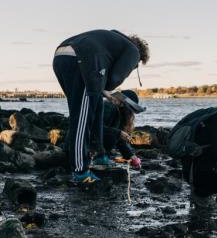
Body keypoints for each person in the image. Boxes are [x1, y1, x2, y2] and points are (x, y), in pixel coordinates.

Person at [52, 29, 150, 183]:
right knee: (82, 117)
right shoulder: (133, 51)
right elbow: (114, 78)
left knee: (95, 106)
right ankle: (80, 170)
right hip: (82, 62)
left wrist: (105, 93)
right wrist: (111, 92)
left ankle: (99, 155)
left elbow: (102, 83)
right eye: (135, 66)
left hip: (61, 56)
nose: (132, 68)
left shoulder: (114, 40)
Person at [97, 89, 143, 169]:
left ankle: (102, 156)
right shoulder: (109, 107)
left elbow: (120, 141)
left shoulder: (120, 113)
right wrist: (119, 133)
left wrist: (131, 156)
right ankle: (98, 157)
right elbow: (96, 128)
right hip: (91, 147)